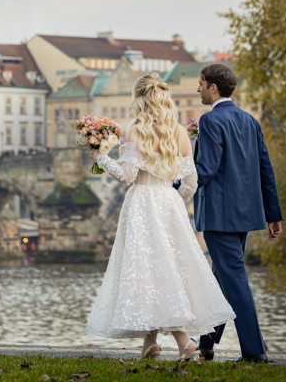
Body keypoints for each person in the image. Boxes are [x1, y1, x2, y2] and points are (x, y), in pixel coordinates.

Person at [85, 72, 235, 360]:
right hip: (168, 203)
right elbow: (191, 182)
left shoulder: (137, 130)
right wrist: (175, 201)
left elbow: (127, 176)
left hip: (142, 201)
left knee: (148, 268)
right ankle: (150, 343)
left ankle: (183, 342)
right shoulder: (179, 132)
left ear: (139, 99)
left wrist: (100, 158)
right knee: (164, 267)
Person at [193, 63, 282, 363]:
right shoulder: (250, 121)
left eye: (201, 83)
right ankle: (206, 342)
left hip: (219, 215)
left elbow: (205, 170)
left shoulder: (210, 121)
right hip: (245, 213)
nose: (198, 88)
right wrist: (273, 214)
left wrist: (175, 183)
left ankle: (255, 351)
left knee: (234, 279)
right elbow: (264, 170)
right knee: (222, 277)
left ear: (213, 87)